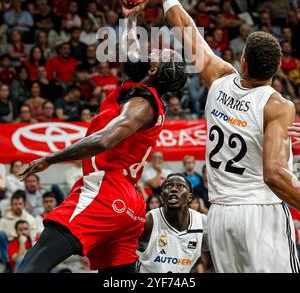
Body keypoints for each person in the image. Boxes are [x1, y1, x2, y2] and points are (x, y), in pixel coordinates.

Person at [142, 0, 300, 273]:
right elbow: (275, 176)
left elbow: (185, 29)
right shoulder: (277, 106)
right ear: (277, 69)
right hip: (260, 212)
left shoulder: (219, 78)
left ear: (243, 60)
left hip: (220, 216)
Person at [16, 20, 187, 273]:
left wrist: (51, 158)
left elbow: (106, 139)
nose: (150, 50)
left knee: (30, 266)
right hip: (129, 202)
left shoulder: (141, 103)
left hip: (106, 191)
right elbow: (131, 54)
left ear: (152, 68)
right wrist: (131, 15)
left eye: (156, 53)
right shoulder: (140, 92)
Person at [137, 173, 209, 273]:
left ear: (189, 197)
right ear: (162, 197)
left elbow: (216, 254)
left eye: (181, 186)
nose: (173, 189)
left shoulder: (201, 222)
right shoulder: (149, 220)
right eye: (168, 186)